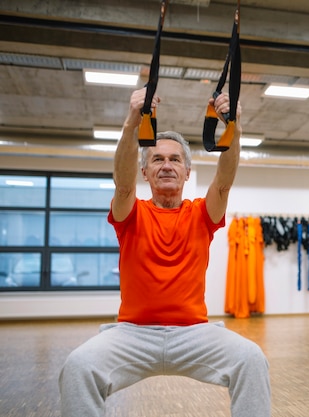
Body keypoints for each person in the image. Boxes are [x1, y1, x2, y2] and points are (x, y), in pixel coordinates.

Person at [58, 87, 271, 417]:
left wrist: (235, 125)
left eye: (175, 160)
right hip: (133, 335)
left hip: (194, 334)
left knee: (251, 359)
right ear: (145, 171)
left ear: (187, 172)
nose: (167, 165)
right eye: (157, 159)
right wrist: (132, 122)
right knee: (78, 367)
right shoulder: (131, 213)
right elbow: (122, 184)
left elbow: (224, 182)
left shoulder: (202, 213)